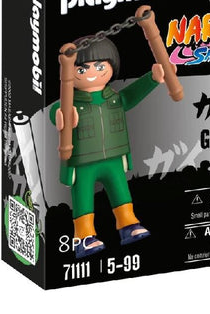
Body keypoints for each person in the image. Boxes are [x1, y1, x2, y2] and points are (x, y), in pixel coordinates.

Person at [50, 37, 167, 259]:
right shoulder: (71, 102)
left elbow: (131, 96)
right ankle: (84, 236)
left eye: (100, 66)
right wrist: (60, 115)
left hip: (114, 156)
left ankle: (128, 224)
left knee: (120, 189)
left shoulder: (113, 98)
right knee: (83, 196)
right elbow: (57, 111)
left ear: (112, 67)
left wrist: (152, 79)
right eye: (82, 69)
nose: (91, 73)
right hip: (83, 160)